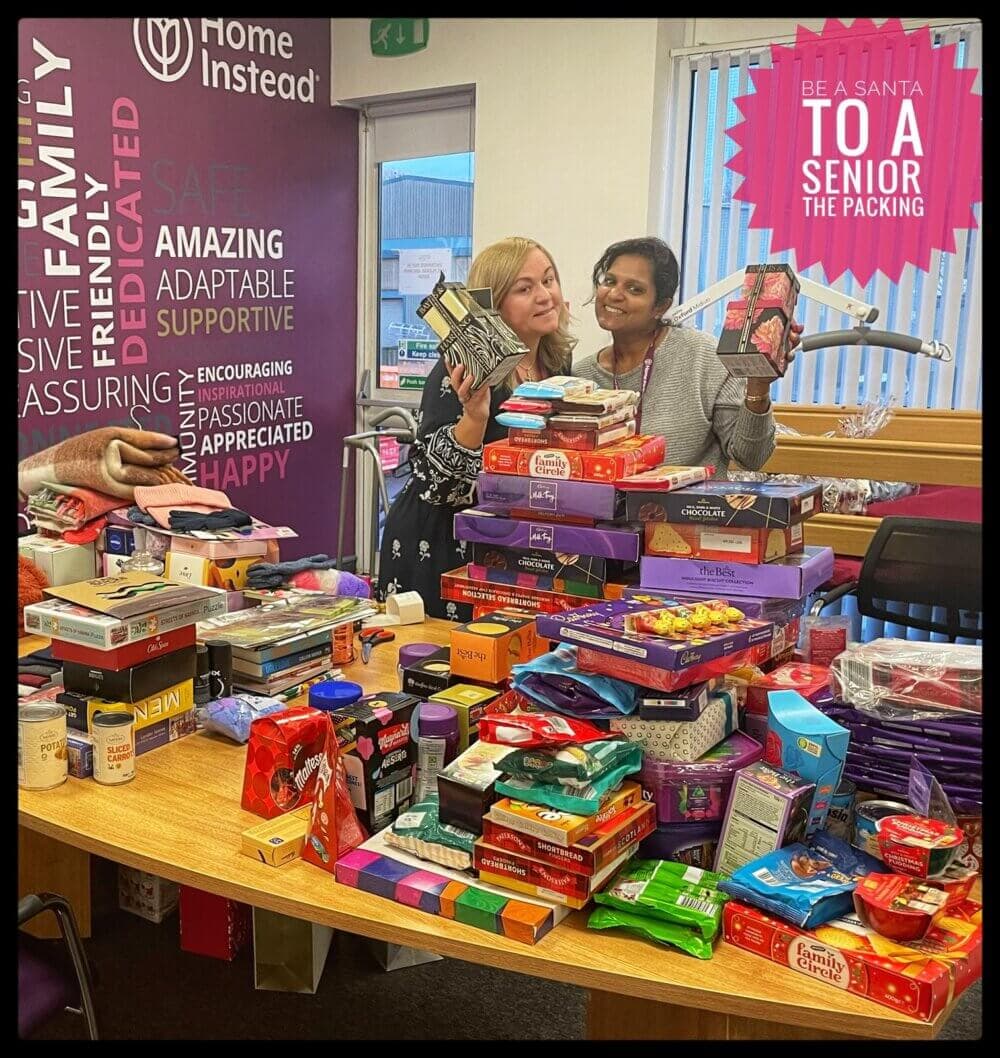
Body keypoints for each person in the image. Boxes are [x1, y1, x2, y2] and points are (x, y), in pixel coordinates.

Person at [378, 236, 576, 619]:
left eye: (549, 280)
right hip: (440, 545)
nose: (545, 295)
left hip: (508, 543)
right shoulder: (462, 368)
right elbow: (436, 485)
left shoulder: (556, 364)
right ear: (494, 306)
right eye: (524, 288)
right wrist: (474, 418)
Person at [573, 237, 801, 478]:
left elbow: (750, 457)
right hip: (605, 514)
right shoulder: (581, 377)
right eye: (609, 281)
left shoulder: (706, 359)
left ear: (660, 306)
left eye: (634, 289)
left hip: (688, 513)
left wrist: (758, 385)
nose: (614, 294)